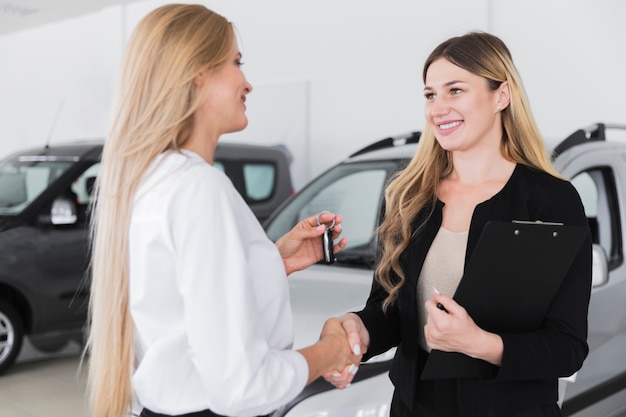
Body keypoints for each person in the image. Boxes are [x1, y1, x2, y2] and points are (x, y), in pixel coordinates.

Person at [85, 4, 360, 417]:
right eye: (236, 62)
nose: (247, 82)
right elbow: (242, 387)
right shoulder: (199, 188)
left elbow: (178, 309)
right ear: (197, 73)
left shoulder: (147, 182)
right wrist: (331, 351)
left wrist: (272, 260)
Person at [324, 32, 592, 417]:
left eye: (455, 90)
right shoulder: (406, 197)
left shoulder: (551, 201)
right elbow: (389, 312)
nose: (438, 108)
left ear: (502, 95)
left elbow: (567, 349)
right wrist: (353, 329)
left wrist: (479, 343)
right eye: (430, 94)